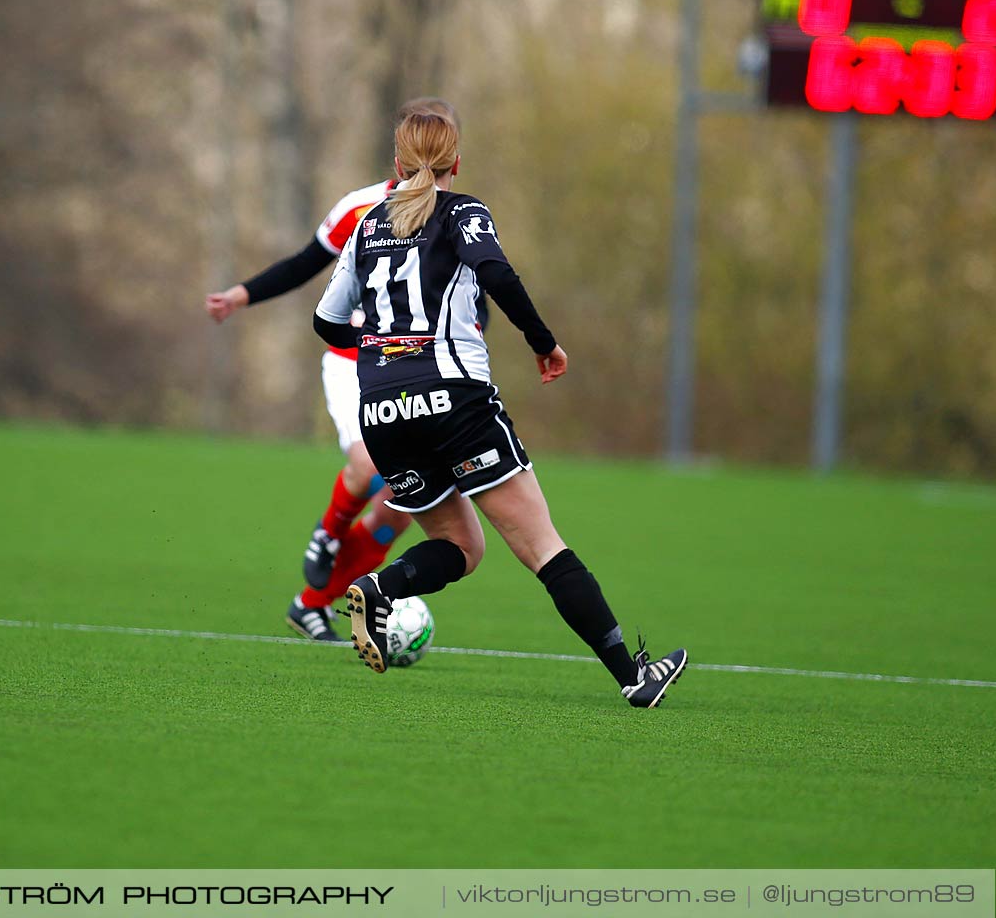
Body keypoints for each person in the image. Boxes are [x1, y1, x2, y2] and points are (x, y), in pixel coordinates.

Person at [315, 98, 687, 707]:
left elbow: (327, 324)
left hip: (381, 410)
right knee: (543, 546)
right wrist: (545, 344)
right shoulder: (463, 214)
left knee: (462, 549)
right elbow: (498, 274)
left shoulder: (366, 226)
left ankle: (382, 586)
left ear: (396, 163)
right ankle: (633, 677)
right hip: (455, 400)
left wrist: (380, 343)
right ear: (455, 162)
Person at [206, 176, 420, 640]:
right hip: (352, 362)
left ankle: (310, 605)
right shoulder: (360, 207)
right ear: (402, 156)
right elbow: (307, 262)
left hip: (415, 372)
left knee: (398, 513)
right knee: (366, 464)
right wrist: (242, 294)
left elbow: (477, 298)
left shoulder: (456, 216)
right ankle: (328, 533)